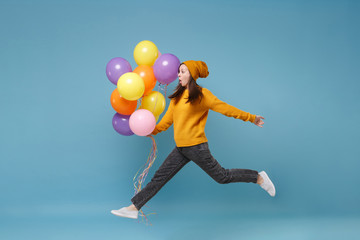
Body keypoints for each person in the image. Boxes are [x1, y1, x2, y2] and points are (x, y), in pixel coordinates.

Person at [111, 60, 276, 219]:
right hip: (181, 149)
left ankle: (258, 177)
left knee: (222, 177)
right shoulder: (177, 97)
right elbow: (167, 121)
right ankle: (133, 208)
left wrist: (251, 118)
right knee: (158, 178)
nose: (179, 75)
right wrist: (150, 130)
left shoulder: (203, 95)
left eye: (183, 72)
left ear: (192, 74)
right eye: (178, 72)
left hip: (197, 148)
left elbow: (225, 109)